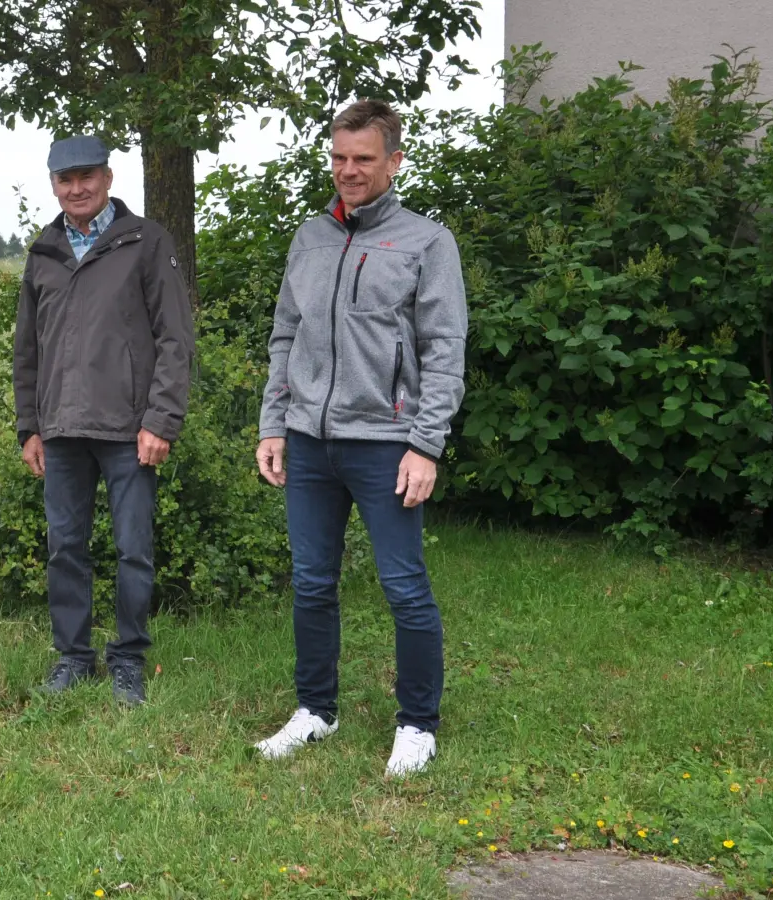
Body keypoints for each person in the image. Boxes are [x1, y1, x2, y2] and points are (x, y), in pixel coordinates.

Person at [253, 99, 467, 775]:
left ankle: (418, 724)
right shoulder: (310, 236)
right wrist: (274, 424)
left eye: (363, 159)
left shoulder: (427, 242)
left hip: (387, 443)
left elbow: (444, 349)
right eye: (340, 158)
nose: (348, 171)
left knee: (404, 585)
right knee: (312, 583)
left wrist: (426, 443)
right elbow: (287, 334)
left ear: (394, 162)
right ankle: (316, 710)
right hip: (310, 440)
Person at [12, 135, 195, 707]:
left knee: (132, 548)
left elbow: (175, 336)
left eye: (87, 176)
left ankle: (128, 659)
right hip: (61, 429)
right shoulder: (43, 253)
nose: (77, 188)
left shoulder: (145, 242)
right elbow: (26, 350)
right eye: (65, 180)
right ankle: (73, 656)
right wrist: (29, 426)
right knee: (65, 548)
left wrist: (161, 420)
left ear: (109, 178)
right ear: (53, 185)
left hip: (129, 429)